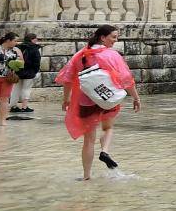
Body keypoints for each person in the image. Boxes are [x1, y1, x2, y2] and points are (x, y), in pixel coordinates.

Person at [55, 25, 140, 180]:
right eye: (113, 37)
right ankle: (105, 151)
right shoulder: (112, 55)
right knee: (108, 128)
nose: (116, 40)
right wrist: (135, 97)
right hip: (107, 98)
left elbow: (67, 79)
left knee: (88, 140)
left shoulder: (80, 55)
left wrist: (66, 99)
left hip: (86, 100)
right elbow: (126, 79)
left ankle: (86, 176)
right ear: (103, 37)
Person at [11, 32, 42, 116]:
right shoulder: (34, 49)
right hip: (29, 71)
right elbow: (36, 62)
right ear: (32, 39)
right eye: (36, 38)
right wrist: (34, 71)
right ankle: (24, 107)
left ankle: (13, 106)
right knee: (26, 89)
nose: (37, 40)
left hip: (18, 71)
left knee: (16, 89)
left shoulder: (18, 47)